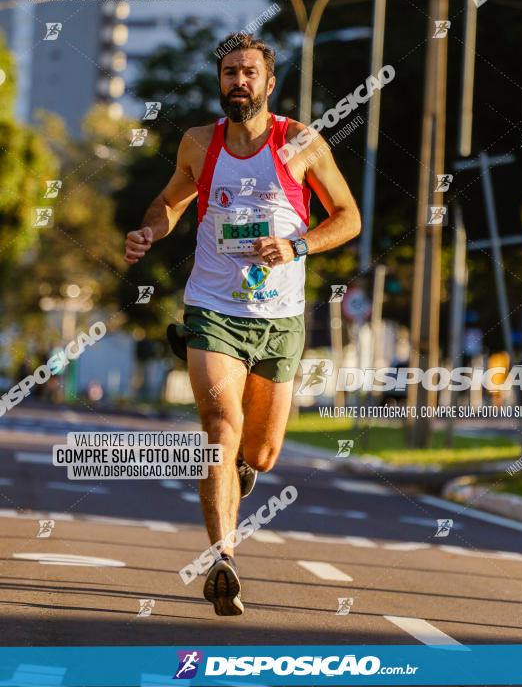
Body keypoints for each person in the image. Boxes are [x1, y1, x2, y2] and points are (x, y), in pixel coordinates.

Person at [124, 33, 361, 615]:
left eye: (249, 72)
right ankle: (223, 557)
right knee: (220, 428)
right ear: (220, 82)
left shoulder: (300, 143)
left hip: (279, 320)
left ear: (268, 82)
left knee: (263, 450)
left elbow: (349, 217)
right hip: (213, 311)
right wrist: (151, 229)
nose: (239, 81)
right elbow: (170, 202)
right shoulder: (199, 144)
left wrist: (296, 245)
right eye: (229, 72)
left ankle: (243, 470)